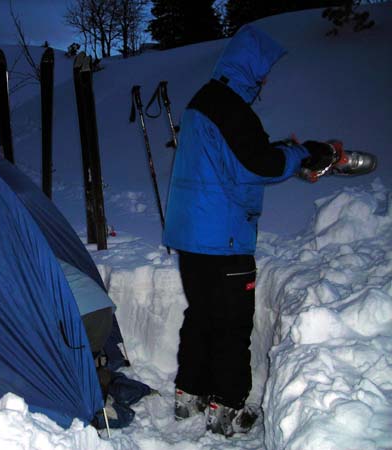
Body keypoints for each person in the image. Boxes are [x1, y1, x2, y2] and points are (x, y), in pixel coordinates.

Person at [163, 24, 334, 437]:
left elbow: (236, 158)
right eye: (263, 74)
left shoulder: (206, 101)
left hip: (193, 237)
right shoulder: (232, 109)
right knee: (232, 324)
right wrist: (305, 153)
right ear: (252, 69)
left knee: (203, 314)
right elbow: (264, 164)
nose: (264, 82)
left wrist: (282, 151)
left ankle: (190, 394)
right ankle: (228, 408)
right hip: (223, 239)